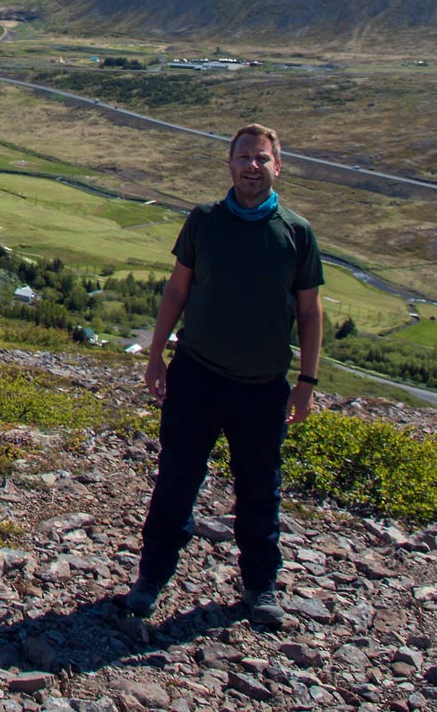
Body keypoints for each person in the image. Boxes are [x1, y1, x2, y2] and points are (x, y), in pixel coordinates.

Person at [122, 123, 323, 630]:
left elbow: (310, 312)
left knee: (260, 490)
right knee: (175, 482)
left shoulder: (297, 233)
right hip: (196, 376)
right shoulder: (204, 221)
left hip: (263, 387)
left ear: (278, 167)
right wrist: (155, 354)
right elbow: (177, 291)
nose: (252, 166)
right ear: (229, 163)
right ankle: (151, 578)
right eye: (244, 157)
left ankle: (260, 586)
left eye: (262, 159)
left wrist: (307, 382)